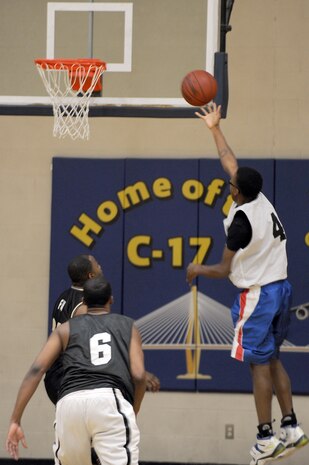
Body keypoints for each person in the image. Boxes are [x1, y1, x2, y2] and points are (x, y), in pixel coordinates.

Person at [186, 103, 308, 465]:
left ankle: (265, 438)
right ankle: (291, 427)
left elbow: (223, 270)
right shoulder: (261, 199)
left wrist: (195, 268)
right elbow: (230, 161)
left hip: (258, 296)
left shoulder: (240, 223)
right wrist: (214, 128)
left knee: (257, 365)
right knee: (272, 359)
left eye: (231, 186)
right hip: (281, 288)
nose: (229, 184)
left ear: (237, 193)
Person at [6, 276, 146, 465]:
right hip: (108, 400)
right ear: (111, 299)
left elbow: (37, 370)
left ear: (84, 301)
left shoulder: (65, 329)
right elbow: (138, 375)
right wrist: (133, 410)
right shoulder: (128, 326)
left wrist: (16, 419)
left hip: (69, 403)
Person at [44, 254, 160, 405]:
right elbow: (96, 348)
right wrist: (137, 371)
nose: (101, 267)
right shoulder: (83, 307)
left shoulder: (64, 296)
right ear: (91, 275)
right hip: (67, 376)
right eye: (97, 265)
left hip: (55, 375)